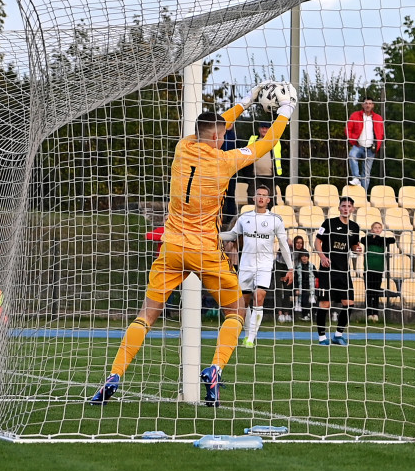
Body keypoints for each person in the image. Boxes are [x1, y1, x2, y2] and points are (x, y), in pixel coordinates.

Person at [90, 93, 296, 407]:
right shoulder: (224, 161)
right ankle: (215, 369)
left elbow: (216, 125)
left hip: (172, 247)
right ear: (215, 137)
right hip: (204, 250)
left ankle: (114, 374)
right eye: (222, 135)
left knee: (146, 315)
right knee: (236, 311)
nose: (225, 137)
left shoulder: (183, 147)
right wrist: (286, 110)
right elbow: (267, 143)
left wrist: (247, 100)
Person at [219, 185, 294, 347]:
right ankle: (247, 334)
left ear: (268, 200)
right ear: (253, 198)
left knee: (259, 297)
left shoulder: (275, 219)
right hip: (246, 265)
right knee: (243, 303)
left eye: (264, 195)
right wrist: (215, 236)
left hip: (264, 266)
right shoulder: (244, 218)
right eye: (258, 194)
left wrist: (290, 268)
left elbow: (283, 244)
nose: (261, 197)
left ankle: (251, 339)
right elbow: (232, 235)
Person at [314, 195, 363, 345]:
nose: (346, 209)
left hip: (343, 271)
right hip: (327, 270)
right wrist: (322, 257)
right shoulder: (329, 223)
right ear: (339, 208)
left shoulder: (355, 227)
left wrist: (357, 249)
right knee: (325, 304)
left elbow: (354, 245)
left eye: (349, 206)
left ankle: (338, 335)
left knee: (349, 304)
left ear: (352, 209)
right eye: (343, 206)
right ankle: (322, 337)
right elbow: (317, 241)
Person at [346, 96, 385, 190]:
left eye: (370, 103)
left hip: (371, 148)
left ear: (373, 105)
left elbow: (381, 133)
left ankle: (364, 193)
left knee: (366, 173)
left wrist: (377, 146)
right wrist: (352, 140)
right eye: (366, 103)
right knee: (352, 155)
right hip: (358, 145)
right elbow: (348, 129)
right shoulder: (355, 115)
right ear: (362, 105)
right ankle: (356, 177)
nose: (368, 105)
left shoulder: (378, 118)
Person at [363, 221, 395, 322]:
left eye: (379, 228)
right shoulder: (367, 239)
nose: (377, 229)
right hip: (368, 269)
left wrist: (377, 239)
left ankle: (375, 314)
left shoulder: (383, 240)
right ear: (371, 229)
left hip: (378, 270)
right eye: (375, 228)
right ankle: (369, 314)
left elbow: (393, 240)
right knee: (369, 292)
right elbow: (363, 240)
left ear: (381, 230)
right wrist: (374, 238)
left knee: (376, 292)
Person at [247, 121, 283, 200]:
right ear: (259, 129)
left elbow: (280, 158)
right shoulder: (253, 140)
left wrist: (278, 176)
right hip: (255, 176)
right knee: (252, 197)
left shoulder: (275, 141)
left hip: (270, 176)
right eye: (262, 128)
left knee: (271, 199)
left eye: (266, 128)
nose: (264, 130)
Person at [291, 236, 314, 321]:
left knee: (309, 298)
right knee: (304, 298)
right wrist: (297, 288)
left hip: (310, 287)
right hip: (301, 287)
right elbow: (296, 279)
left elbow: (316, 275)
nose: (304, 258)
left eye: (306, 256)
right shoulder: (298, 267)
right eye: (303, 256)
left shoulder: (311, 266)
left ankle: (309, 314)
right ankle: (305, 314)